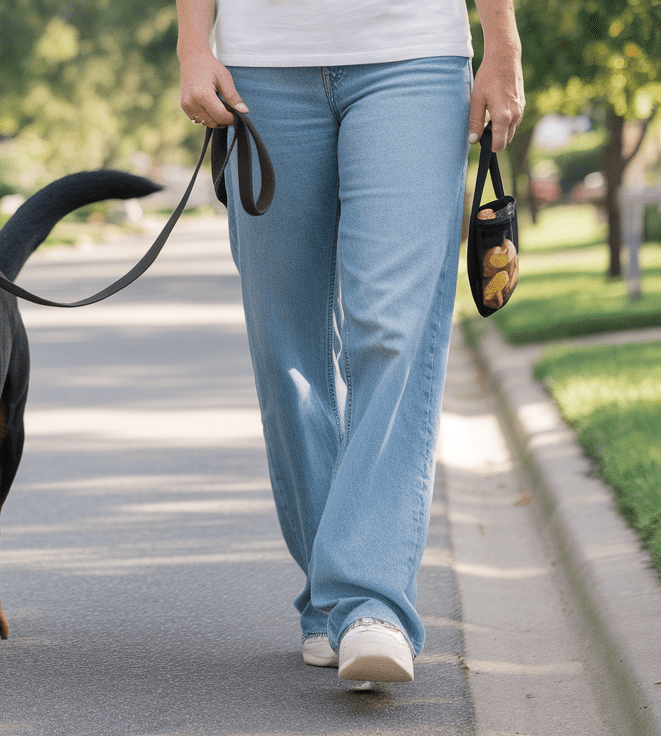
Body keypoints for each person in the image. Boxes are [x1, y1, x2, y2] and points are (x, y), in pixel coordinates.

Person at [175, 0, 523, 682]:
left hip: (413, 54)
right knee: (288, 353)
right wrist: (194, 46)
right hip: (260, 66)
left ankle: (371, 602)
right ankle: (331, 601)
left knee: (390, 328)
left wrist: (501, 43)